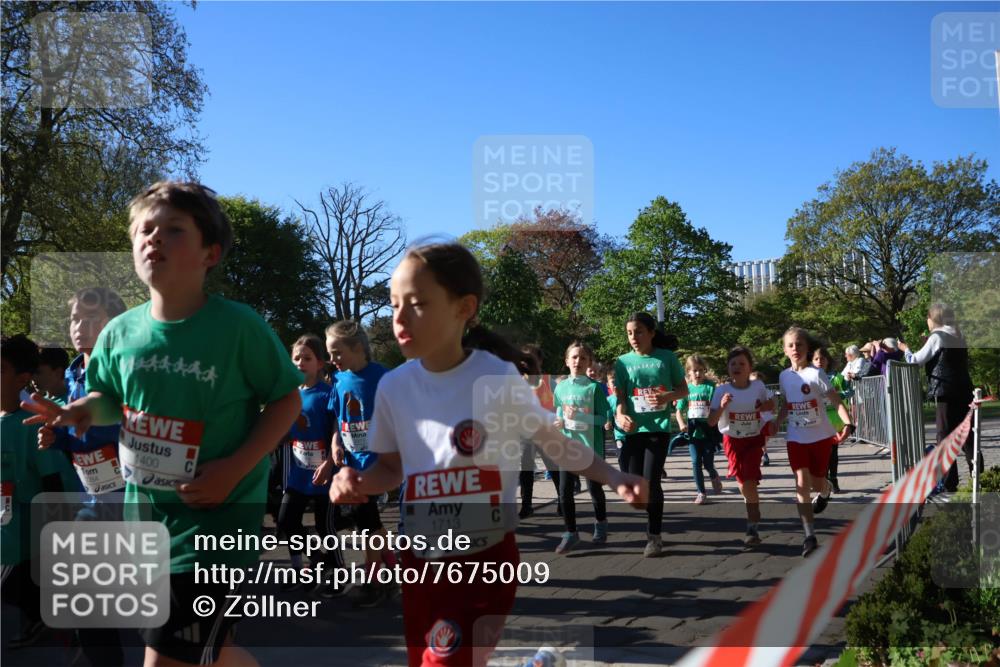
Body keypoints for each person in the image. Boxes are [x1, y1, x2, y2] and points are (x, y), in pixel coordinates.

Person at [22, 181, 304, 667]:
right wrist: (81, 411)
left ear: (209, 253)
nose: (154, 239)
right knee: (210, 653)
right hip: (148, 526)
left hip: (216, 527)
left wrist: (234, 468)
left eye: (173, 230)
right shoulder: (120, 333)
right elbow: (110, 397)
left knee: (166, 656)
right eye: (145, 230)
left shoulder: (238, 327)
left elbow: (286, 401)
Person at [328, 241, 647, 667]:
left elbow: (553, 443)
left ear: (464, 308)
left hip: (484, 560)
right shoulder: (395, 387)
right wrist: (357, 481)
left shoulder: (494, 377)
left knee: (444, 663)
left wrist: (613, 476)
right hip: (419, 561)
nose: (399, 318)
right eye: (393, 304)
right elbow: (392, 467)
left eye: (418, 303)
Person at [37, 287, 129, 666]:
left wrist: (78, 424)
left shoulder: (124, 369)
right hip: (92, 498)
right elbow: (80, 435)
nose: (80, 326)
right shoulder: (75, 371)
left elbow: (127, 423)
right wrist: (56, 436)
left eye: (92, 319)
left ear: (115, 325)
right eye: (75, 318)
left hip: (132, 497)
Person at [2, 335, 73, 650]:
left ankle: (50, 619)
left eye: (0, 369)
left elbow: (53, 481)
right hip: (10, 522)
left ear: (22, 378)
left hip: (37, 525)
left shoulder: (32, 421)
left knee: (12, 586)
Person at [319, 319, 395, 607]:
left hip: (376, 465)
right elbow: (338, 419)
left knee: (366, 525)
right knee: (367, 524)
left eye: (337, 352)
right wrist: (336, 443)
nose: (332, 359)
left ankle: (375, 581)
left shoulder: (382, 378)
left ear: (358, 348)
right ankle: (389, 568)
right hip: (351, 464)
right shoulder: (339, 380)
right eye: (329, 353)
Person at [612, 311, 687, 558]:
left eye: (639, 332)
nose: (634, 337)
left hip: (657, 428)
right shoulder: (622, 362)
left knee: (652, 482)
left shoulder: (666, 358)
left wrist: (667, 397)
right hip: (632, 430)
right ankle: (651, 518)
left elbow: (683, 389)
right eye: (630, 333)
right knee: (635, 485)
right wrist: (620, 416)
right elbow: (621, 399)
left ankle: (654, 537)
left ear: (651, 333)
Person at [778, 328, 854, 557]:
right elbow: (785, 405)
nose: (795, 349)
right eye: (790, 345)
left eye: (799, 344)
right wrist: (775, 423)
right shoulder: (783, 376)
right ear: (784, 350)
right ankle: (809, 536)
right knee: (801, 483)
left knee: (816, 484)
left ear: (807, 348)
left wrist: (848, 424)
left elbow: (836, 401)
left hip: (820, 437)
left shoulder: (816, 374)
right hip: (796, 437)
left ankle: (826, 489)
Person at [899, 303, 983, 492]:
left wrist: (905, 349)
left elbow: (915, 361)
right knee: (969, 436)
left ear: (932, 318)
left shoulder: (937, 336)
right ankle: (979, 479)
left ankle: (950, 482)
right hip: (964, 389)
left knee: (944, 436)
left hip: (945, 391)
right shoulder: (958, 335)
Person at [276, 334, 336, 594]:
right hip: (298, 473)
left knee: (325, 528)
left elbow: (338, 433)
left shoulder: (327, 393)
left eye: (307, 358)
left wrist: (330, 463)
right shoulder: (290, 395)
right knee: (286, 521)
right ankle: (306, 568)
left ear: (320, 363)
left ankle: (335, 574)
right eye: (296, 358)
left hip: (325, 473)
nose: (300, 362)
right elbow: (289, 430)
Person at [707, 347, 772, 547]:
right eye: (733, 364)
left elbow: (772, 403)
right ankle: (752, 507)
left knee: (749, 481)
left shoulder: (758, 386)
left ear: (749, 367)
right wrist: (723, 406)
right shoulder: (721, 391)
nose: (737, 367)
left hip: (753, 439)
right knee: (743, 483)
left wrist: (766, 408)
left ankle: (752, 526)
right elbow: (711, 421)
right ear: (728, 368)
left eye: (742, 364)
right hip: (733, 441)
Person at [552, 341, 613, 553]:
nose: (578, 361)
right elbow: (560, 410)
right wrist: (559, 421)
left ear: (589, 362)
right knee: (564, 491)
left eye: (583, 358)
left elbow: (603, 420)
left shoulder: (594, 388)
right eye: (574, 357)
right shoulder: (560, 387)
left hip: (590, 448)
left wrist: (578, 416)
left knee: (594, 489)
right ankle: (570, 532)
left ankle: (601, 523)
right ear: (567, 361)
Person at [675, 355, 722, 505]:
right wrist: (682, 423)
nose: (698, 374)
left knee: (708, 463)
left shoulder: (709, 387)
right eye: (694, 371)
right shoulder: (686, 389)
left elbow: (715, 408)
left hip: (708, 431)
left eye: (701, 370)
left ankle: (713, 475)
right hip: (693, 433)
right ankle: (701, 492)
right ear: (688, 372)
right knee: (695, 462)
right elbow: (678, 410)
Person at [812, 346, 844, 494]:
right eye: (816, 359)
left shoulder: (835, 377)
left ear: (827, 361)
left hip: (834, 420)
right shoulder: (809, 378)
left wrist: (838, 394)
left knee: (833, 453)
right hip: (817, 421)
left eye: (822, 358)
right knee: (821, 454)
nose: (819, 361)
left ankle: (834, 479)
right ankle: (823, 480)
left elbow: (848, 391)